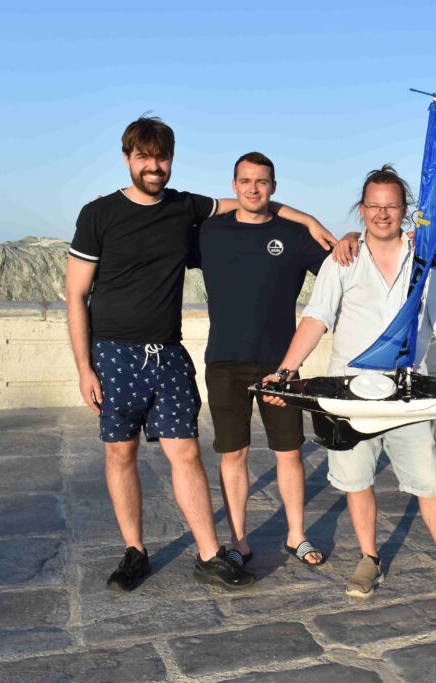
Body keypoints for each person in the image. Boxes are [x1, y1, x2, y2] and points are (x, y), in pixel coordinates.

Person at [66, 115, 335, 592]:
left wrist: (310, 220)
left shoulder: (184, 207)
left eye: (162, 158)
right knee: (120, 454)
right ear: (127, 159)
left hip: (169, 354)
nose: (154, 166)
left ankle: (211, 555)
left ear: (171, 160)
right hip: (115, 354)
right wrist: (85, 367)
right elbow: (75, 295)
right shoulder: (98, 214)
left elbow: (254, 203)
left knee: (187, 454)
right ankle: (134, 551)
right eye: (144, 157)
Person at [262, 165, 436, 608]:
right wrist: (286, 370)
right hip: (350, 395)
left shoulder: (425, 261)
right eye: (374, 206)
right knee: (356, 480)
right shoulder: (341, 259)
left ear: (405, 210)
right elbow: (317, 318)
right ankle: (369, 558)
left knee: (428, 483)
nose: (383, 214)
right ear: (361, 209)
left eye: (392, 206)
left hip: (406, 391)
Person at [199, 152, 328, 568]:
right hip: (224, 362)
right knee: (232, 454)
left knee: (289, 452)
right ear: (233, 186)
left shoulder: (295, 235)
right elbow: (155, 242)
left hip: (280, 364)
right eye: (245, 181)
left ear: (274, 186)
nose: (253, 189)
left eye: (262, 182)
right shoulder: (209, 231)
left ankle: (296, 535)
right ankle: (239, 541)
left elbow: (340, 273)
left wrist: (337, 235)